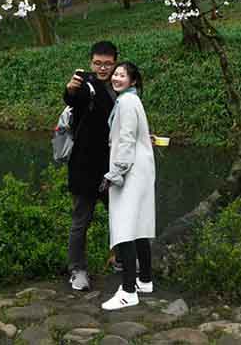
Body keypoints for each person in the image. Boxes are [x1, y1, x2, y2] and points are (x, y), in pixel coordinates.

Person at [101, 61, 156, 311]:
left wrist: (114, 173)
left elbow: (126, 140)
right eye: (115, 74)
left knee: (124, 228)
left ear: (132, 81)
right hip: (140, 169)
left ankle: (128, 291)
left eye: (122, 75)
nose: (116, 78)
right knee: (139, 226)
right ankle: (145, 280)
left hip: (129, 171)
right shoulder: (132, 100)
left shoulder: (126, 102)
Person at [64, 41, 119, 291]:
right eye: (98, 63)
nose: (102, 68)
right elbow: (75, 98)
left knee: (119, 216)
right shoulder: (86, 85)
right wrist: (70, 90)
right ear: (91, 63)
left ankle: (121, 259)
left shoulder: (120, 86)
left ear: (115, 63)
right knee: (81, 221)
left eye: (107, 64)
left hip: (113, 166)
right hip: (85, 166)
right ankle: (77, 269)